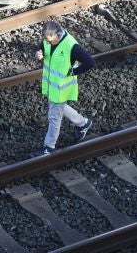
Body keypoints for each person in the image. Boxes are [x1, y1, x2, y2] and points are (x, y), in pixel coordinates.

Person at [35, 18, 95, 156]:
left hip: (62, 87)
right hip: (52, 86)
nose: (48, 42)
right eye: (46, 40)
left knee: (54, 117)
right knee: (58, 109)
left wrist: (74, 72)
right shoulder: (48, 39)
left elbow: (90, 62)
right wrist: (39, 53)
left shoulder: (71, 46)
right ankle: (83, 123)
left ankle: (48, 147)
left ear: (58, 34)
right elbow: (42, 46)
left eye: (50, 40)